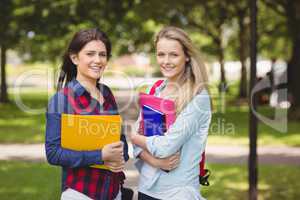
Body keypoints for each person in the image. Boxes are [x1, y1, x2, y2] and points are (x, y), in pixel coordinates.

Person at [45, 28, 129, 200]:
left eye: (102, 54)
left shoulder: (107, 93)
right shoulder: (61, 100)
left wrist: (122, 155)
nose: (97, 60)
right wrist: (100, 156)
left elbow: (120, 139)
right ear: (75, 57)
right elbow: (53, 153)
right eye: (90, 54)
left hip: (114, 193)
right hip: (81, 193)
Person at [130, 26, 212, 200]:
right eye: (161, 54)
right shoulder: (156, 89)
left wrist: (135, 138)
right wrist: (154, 161)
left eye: (173, 55)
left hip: (177, 193)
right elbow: (137, 144)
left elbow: (165, 146)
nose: (166, 61)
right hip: (146, 189)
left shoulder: (198, 97)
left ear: (187, 56)